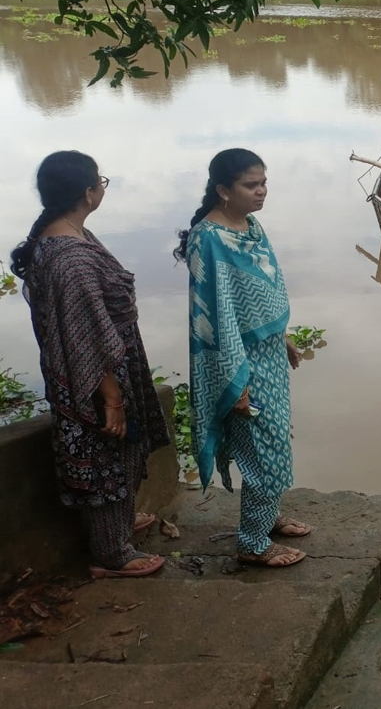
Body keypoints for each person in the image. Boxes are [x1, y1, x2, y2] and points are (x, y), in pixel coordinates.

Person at [11, 151, 170, 579]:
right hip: (97, 379)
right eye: (100, 180)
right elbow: (86, 333)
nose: (103, 186)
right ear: (88, 192)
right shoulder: (71, 256)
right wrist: (112, 397)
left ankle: (118, 528)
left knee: (118, 453)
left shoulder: (63, 234)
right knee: (105, 455)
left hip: (100, 369)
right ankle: (112, 554)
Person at [176, 149, 310, 568]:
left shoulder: (250, 224)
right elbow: (215, 313)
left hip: (266, 352)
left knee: (273, 440)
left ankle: (266, 516)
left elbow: (262, 288)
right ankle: (252, 543)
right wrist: (236, 378)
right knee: (258, 448)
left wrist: (281, 336)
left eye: (263, 182)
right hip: (236, 361)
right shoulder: (207, 238)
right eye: (251, 185)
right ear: (222, 190)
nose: (262, 192)